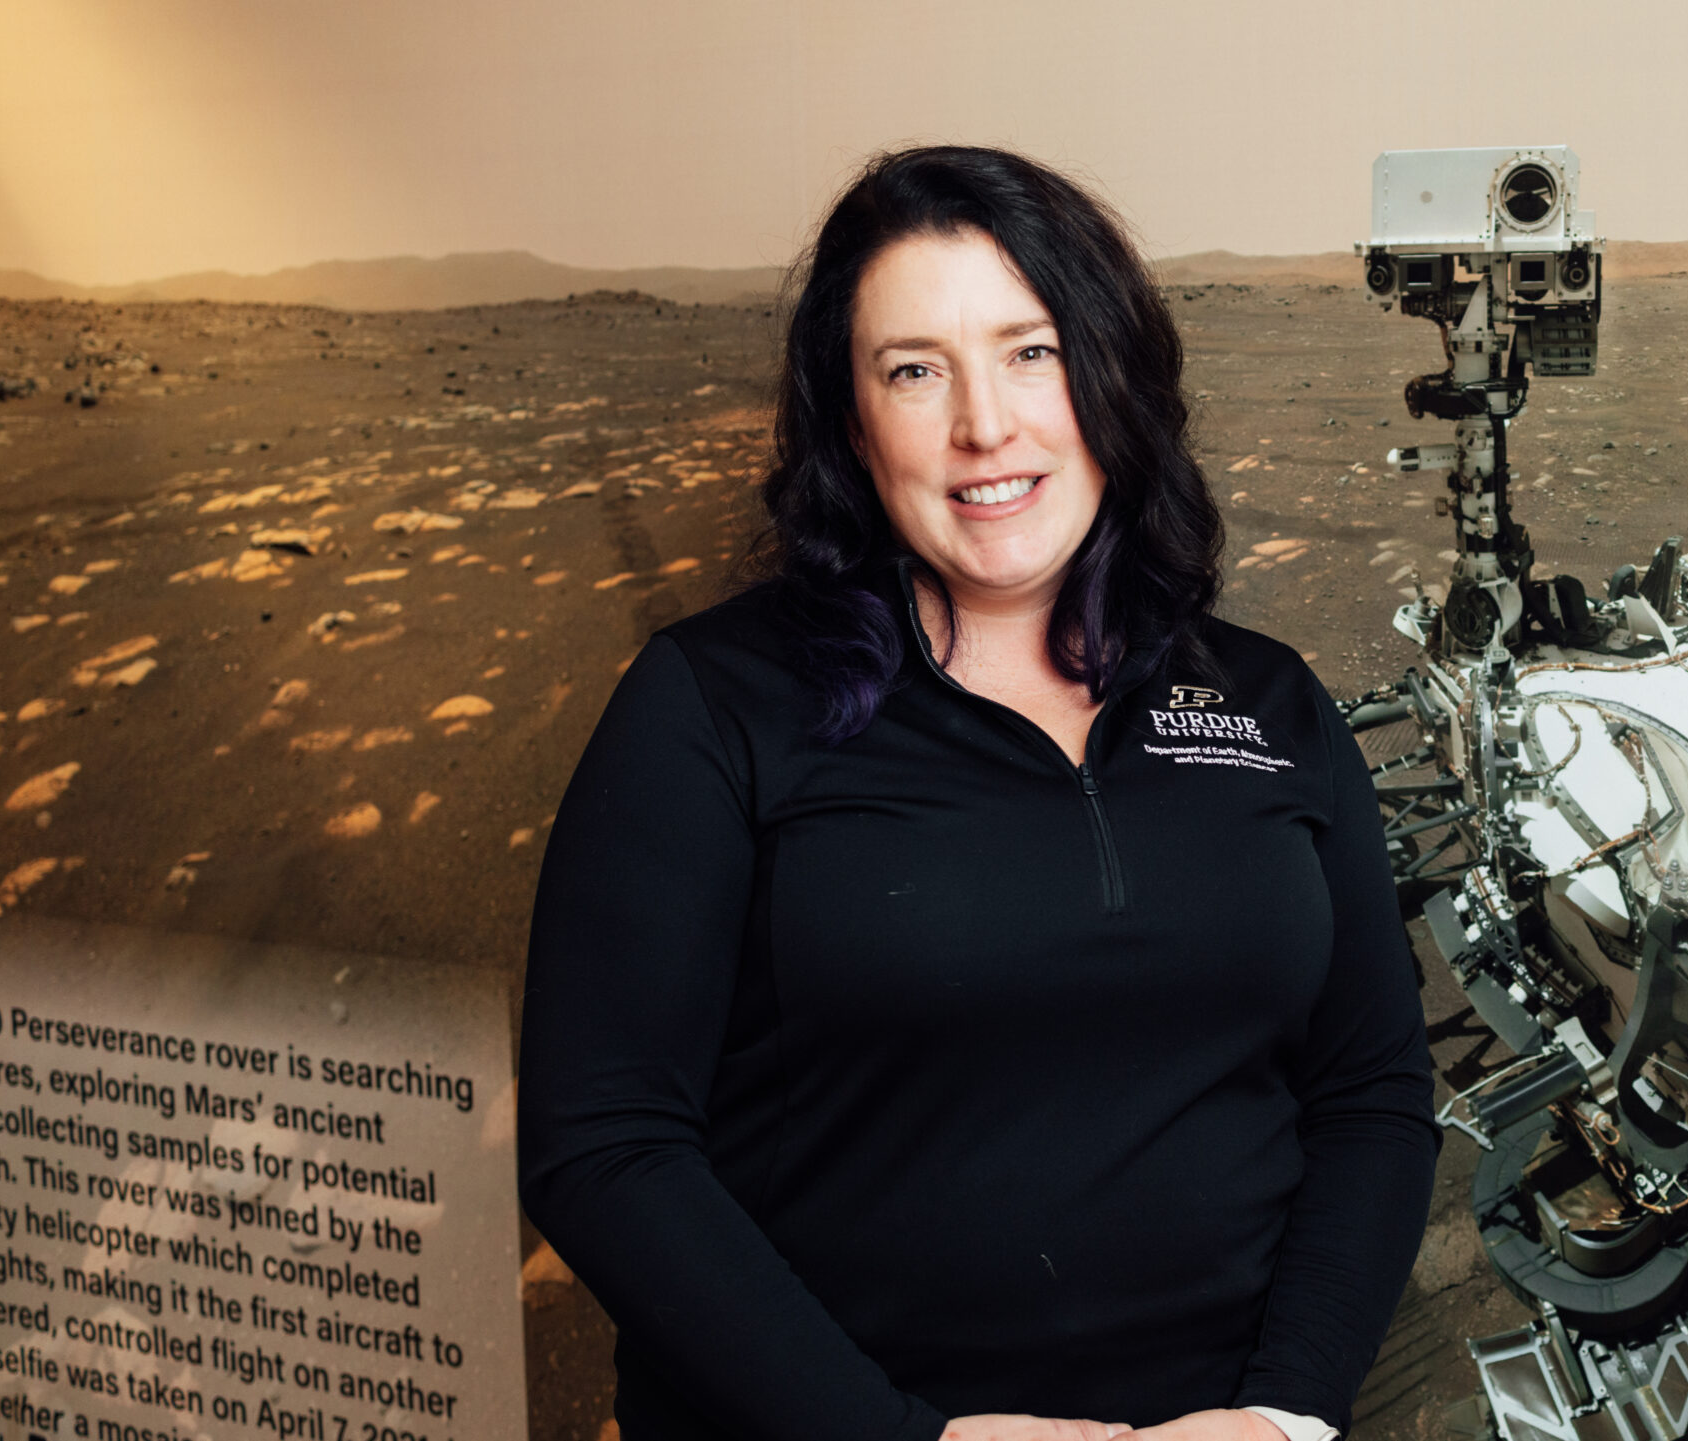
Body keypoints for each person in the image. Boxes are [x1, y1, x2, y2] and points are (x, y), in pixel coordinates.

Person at [516, 145, 1439, 1441]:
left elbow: (1373, 1094)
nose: (984, 425)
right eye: (913, 369)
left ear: (1111, 375)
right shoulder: (711, 706)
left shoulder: (1271, 702)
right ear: (849, 419)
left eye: (1031, 351)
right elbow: (603, 1145)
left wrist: (1286, 1414)